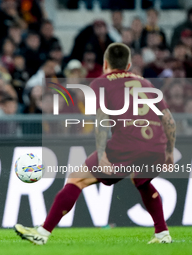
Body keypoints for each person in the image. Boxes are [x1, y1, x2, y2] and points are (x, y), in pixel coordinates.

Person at [15, 43, 175, 245]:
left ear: (106, 63)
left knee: (77, 179)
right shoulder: (147, 84)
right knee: (141, 181)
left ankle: (42, 233)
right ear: (128, 64)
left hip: (127, 144)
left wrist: (102, 154)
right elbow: (169, 120)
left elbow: (102, 119)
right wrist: (169, 151)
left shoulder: (101, 82)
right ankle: (162, 234)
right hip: (156, 146)